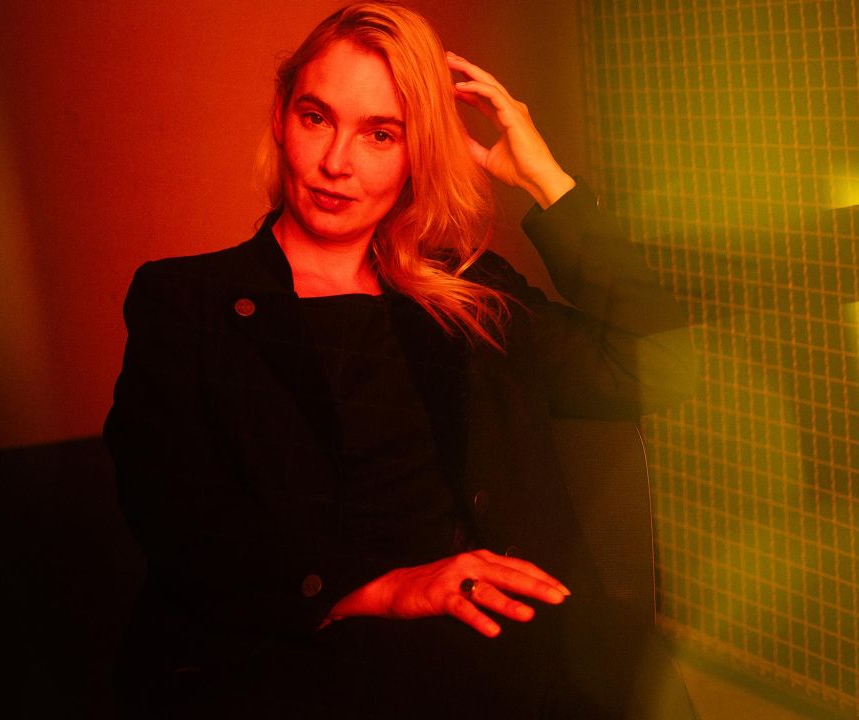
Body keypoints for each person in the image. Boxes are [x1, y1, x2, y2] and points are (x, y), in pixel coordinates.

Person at [104, 2, 698, 717]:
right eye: (316, 117)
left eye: (380, 134)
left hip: (487, 663)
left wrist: (548, 183)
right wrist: (389, 590)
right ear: (281, 118)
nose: (335, 163)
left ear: (417, 151)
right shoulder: (185, 300)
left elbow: (659, 367)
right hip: (291, 666)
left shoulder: (467, 292)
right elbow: (179, 522)